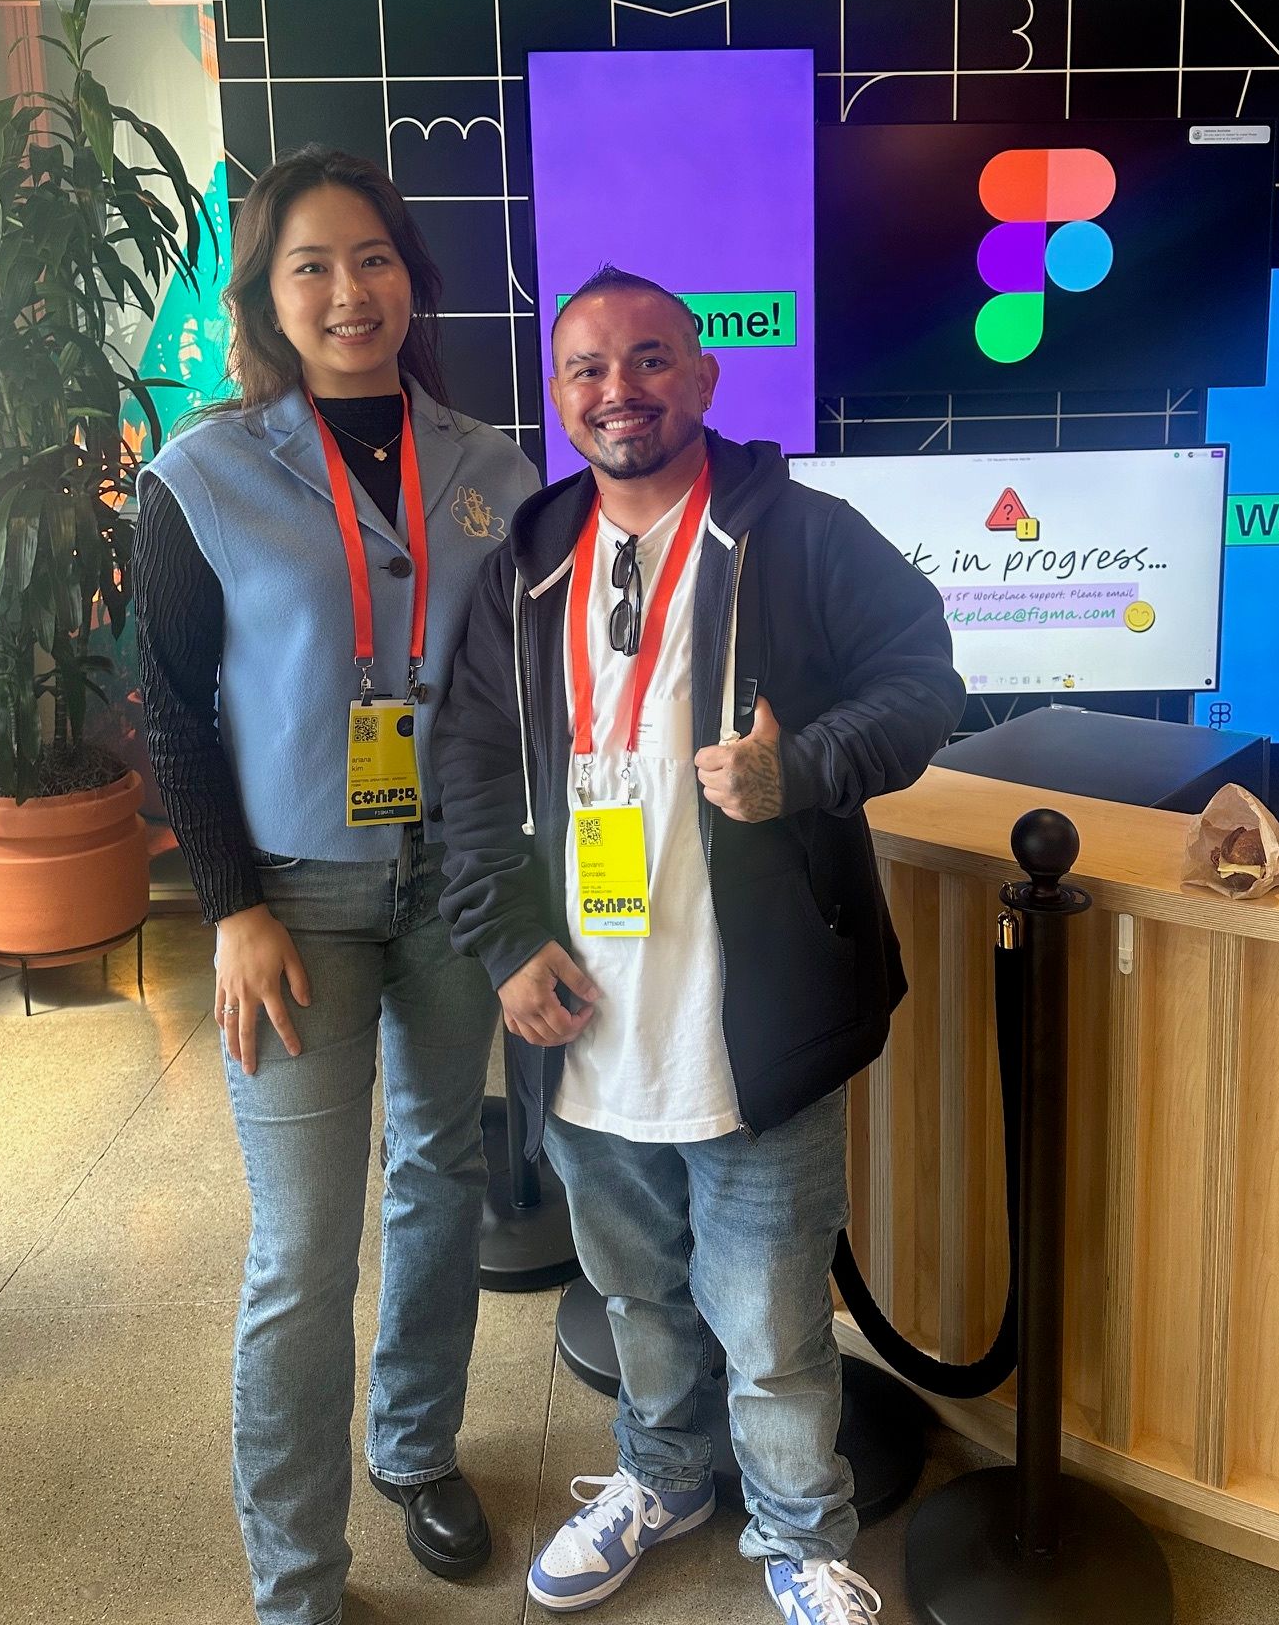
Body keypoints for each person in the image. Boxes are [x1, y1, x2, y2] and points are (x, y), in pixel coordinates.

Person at [433, 265, 964, 1624]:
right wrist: (503, 945)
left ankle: (800, 1536)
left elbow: (924, 678)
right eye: (591, 369)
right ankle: (661, 1477)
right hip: (581, 1013)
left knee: (774, 1317)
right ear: (559, 397)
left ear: (706, 377)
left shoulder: (799, 535)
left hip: (757, 1016)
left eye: (653, 358)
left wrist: (814, 765)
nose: (622, 389)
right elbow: (475, 770)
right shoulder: (526, 564)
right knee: (635, 1294)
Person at [134, 146, 537, 1625]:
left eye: (373, 259)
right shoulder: (204, 473)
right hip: (290, 900)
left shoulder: (494, 469)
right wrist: (230, 906)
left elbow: (523, 695)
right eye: (312, 265)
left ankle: (415, 1448)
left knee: (439, 1180)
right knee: (305, 1246)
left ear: (411, 283)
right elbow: (170, 707)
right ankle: (296, 1578)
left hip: (454, 888)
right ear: (268, 295)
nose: (348, 290)